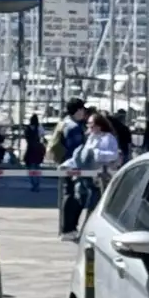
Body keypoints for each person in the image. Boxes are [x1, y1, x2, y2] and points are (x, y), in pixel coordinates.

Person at [60, 110, 121, 217]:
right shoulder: (90, 138)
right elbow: (81, 157)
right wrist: (67, 165)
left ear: (99, 125)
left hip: (101, 179)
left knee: (94, 208)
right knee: (80, 202)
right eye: (88, 124)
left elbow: (113, 155)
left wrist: (96, 154)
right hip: (87, 178)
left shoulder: (108, 138)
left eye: (91, 124)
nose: (89, 127)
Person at [51, 98, 87, 238]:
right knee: (74, 196)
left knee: (69, 194)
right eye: (82, 109)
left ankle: (67, 228)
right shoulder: (74, 128)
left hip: (64, 163)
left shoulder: (64, 123)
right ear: (78, 110)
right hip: (73, 166)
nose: (84, 112)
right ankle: (68, 228)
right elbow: (77, 150)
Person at [23, 114, 45, 192]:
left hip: (30, 149)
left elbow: (26, 137)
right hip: (38, 149)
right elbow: (42, 136)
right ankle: (37, 185)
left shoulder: (27, 128)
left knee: (30, 168)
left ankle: (33, 184)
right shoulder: (39, 127)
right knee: (37, 167)